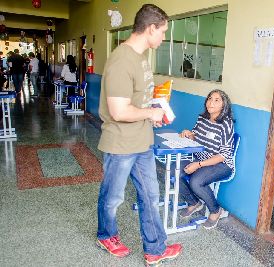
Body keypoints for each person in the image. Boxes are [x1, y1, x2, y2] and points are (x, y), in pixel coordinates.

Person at [96, 4, 182, 265]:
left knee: (150, 196)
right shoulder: (122, 60)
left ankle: (155, 248)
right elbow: (119, 111)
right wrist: (149, 114)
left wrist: (155, 106)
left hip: (142, 141)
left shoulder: (142, 58)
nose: (164, 37)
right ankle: (106, 234)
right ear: (151, 28)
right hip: (121, 142)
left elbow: (138, 97)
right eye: (163, 31)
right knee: (113, 197)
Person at [178, 89, 235, 229]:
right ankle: (193, 203)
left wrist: (198, 164)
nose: (211, 102)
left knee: (196, 182)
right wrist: (189, 134)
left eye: (216, 100)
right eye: (210, 98)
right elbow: (196, 137)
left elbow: (224, 155)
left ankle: (216, 210)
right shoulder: (202, 118)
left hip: (221, 164)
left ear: (224, 105)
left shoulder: (226, 124)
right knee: (175, 171)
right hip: (200, 158)